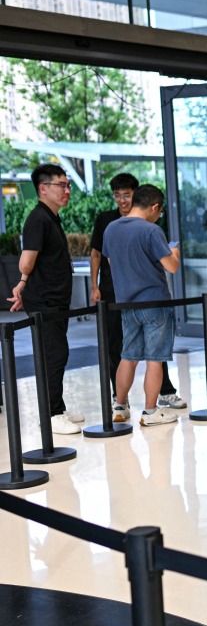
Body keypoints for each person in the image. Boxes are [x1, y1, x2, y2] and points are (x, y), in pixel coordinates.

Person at [91, 173, 187, 416]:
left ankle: (120, 407)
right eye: (160, 211)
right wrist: (174, 252)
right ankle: (150, 412)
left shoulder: (111, 229)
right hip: (154, 303)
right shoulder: (152, 231)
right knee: (154, 359)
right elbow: (171, 267)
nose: (158, 216)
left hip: (126, 304)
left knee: (128, 357)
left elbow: (110, 261)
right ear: (154, 206)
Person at [9, 164, 82, 435]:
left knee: (58, 354)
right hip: (45, 302)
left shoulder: (51, 217)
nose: (66, 190)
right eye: (61, 185)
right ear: (43, 188)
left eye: (67, 185)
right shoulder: (38, 219)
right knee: (53, 355)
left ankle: (57, 408)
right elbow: (27, 261)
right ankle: (50, 414)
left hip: (56, 300)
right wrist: (23, 284)